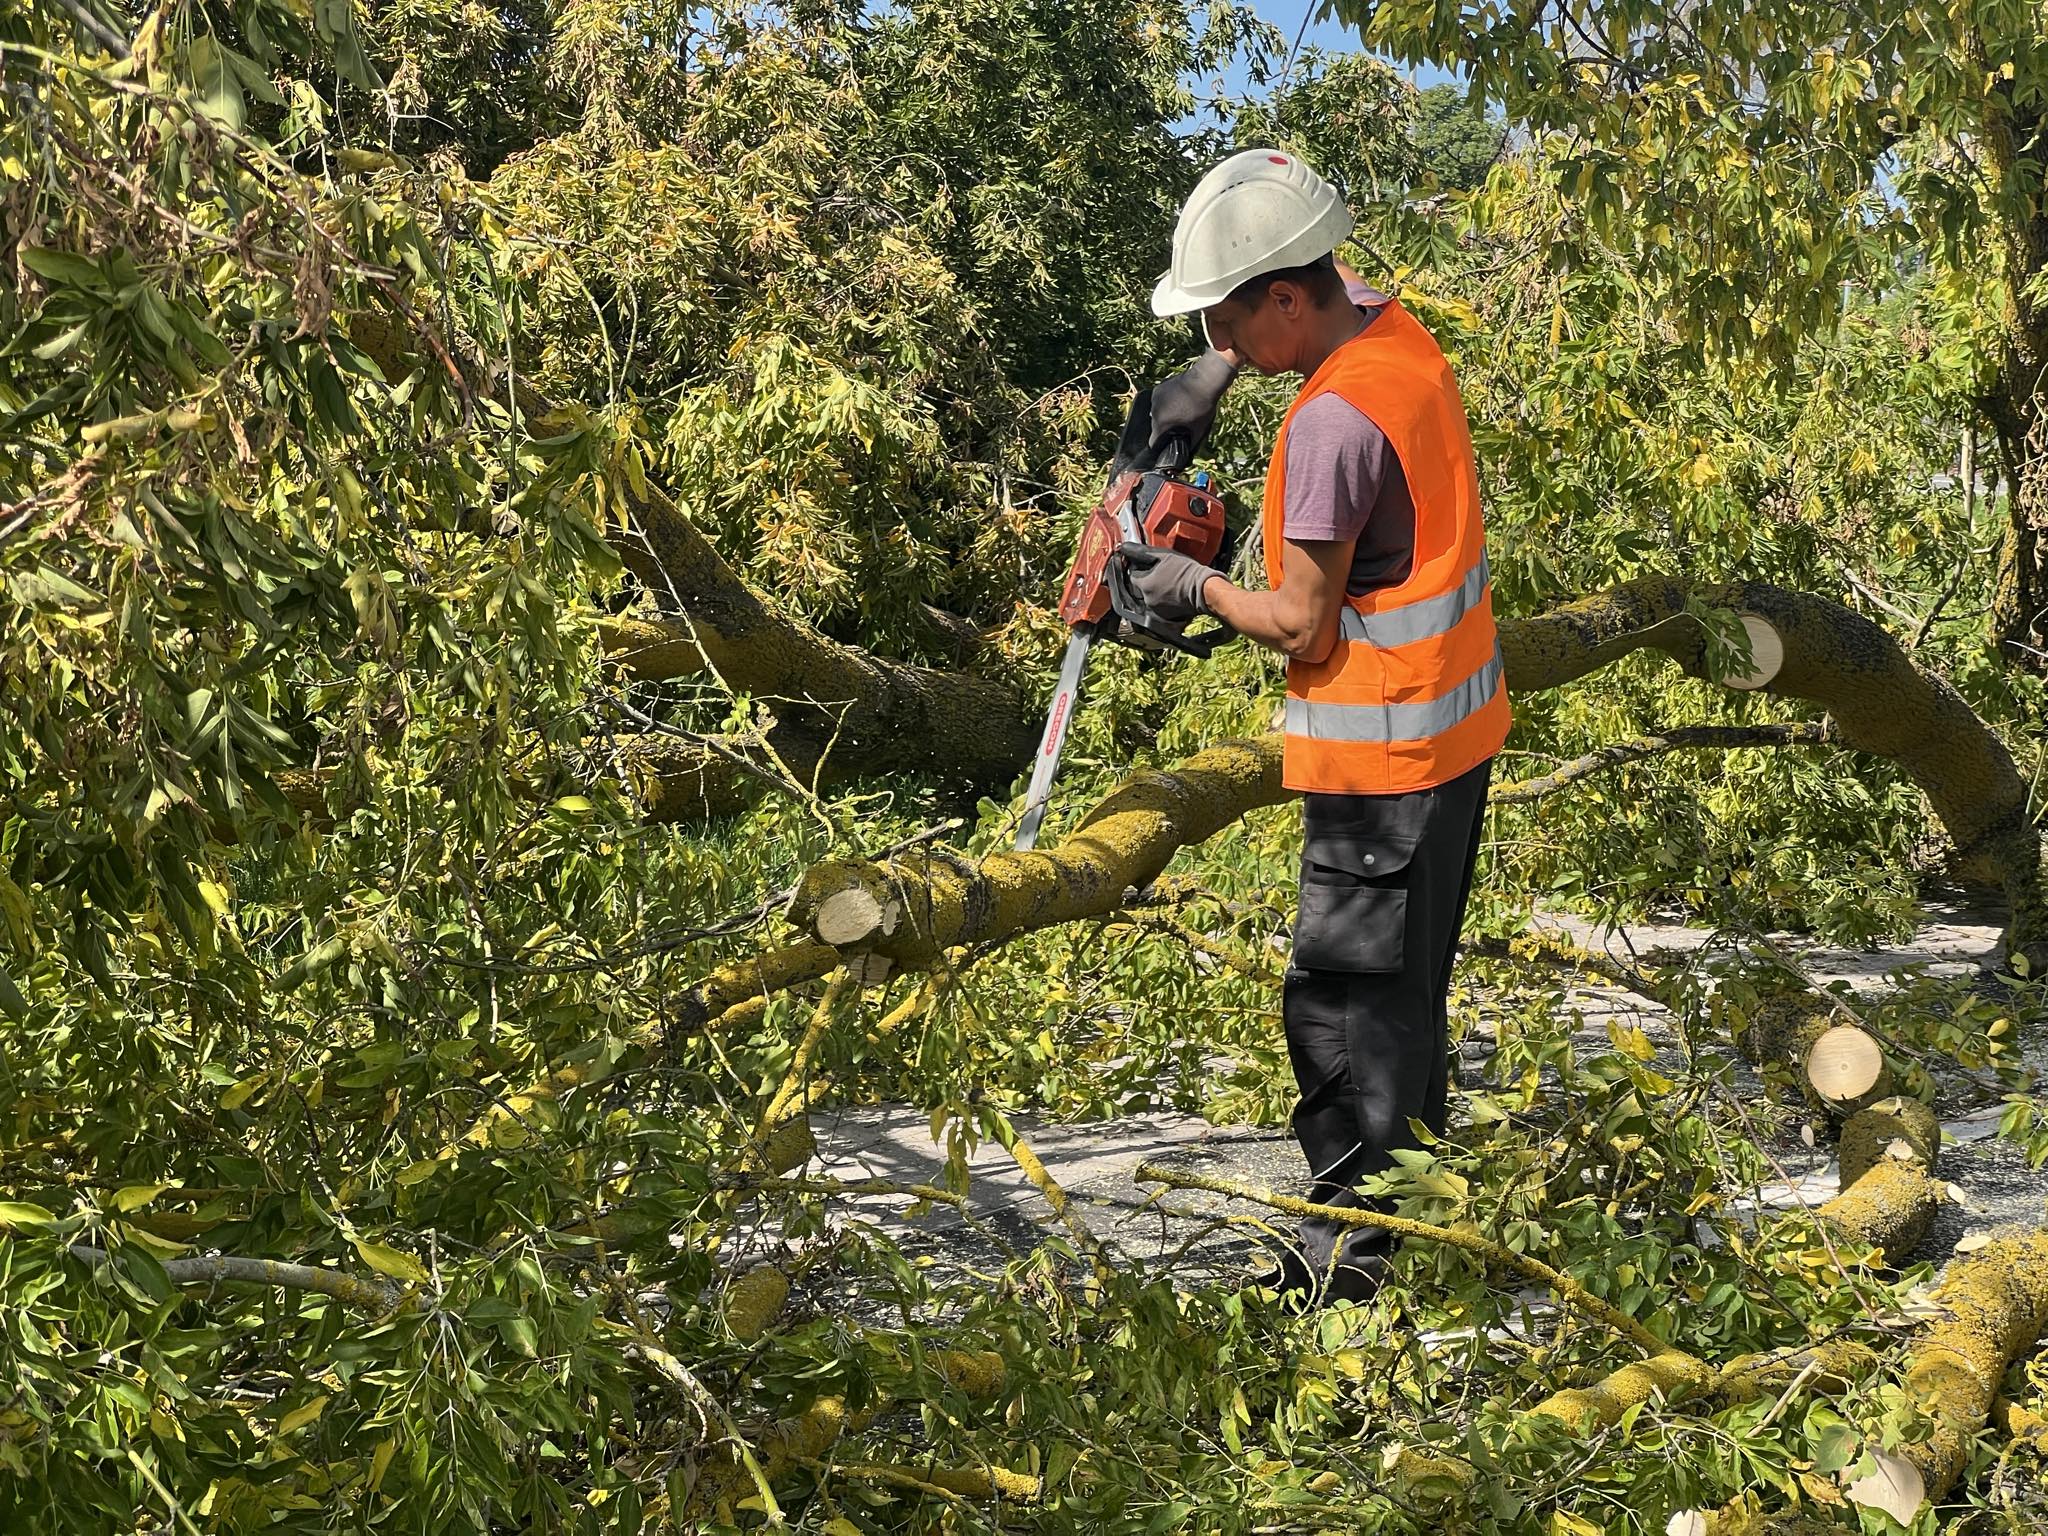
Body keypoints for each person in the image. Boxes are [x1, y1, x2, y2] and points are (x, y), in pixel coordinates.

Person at [1115, 149, 1510, 1305]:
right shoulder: (1395, 338)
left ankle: (1354, 1258)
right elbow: (1297, 316)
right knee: (1402, 1001)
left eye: (1231, 327)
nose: (1223, 348)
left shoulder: (1333, 427)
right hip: (1452, 741)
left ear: (1287, 297)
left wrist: (1187, 588)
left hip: (1380, 759)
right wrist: (1203, 381)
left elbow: (1295, 619)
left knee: (1341, 1016)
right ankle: (1421, 1219)